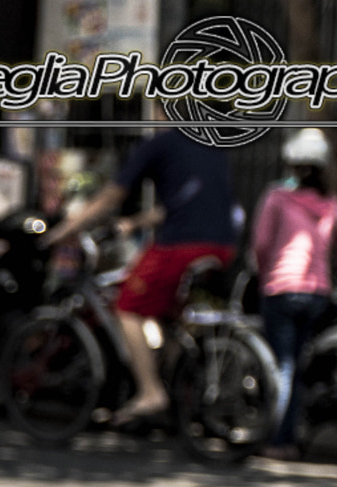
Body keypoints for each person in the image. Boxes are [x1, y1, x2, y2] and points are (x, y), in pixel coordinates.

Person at [45, 119, 240, 425]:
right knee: (171, 313)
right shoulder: (211, 143)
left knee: (127, 307)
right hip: (223, 246)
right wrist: (135, 224)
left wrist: (62, 231)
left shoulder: (158, 144)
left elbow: (110, 197)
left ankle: (150, 391)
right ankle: (175, 384)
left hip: (180, 245)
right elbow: (178, 205)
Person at [250, 128, 337, 459]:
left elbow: (261, 245)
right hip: (318, 293)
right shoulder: (331, 203)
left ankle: (281, 440)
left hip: (280, 289)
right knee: (297, 366)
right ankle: (291, 434)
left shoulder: (276, 197)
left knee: (283, 367)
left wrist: (264, 274)